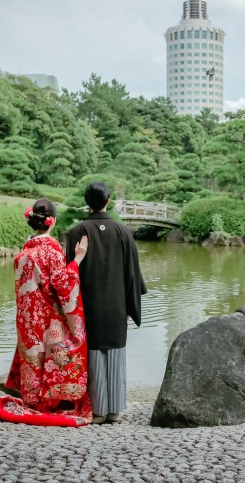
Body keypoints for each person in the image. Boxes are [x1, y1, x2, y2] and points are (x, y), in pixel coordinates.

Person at [0, 198, 93, 427]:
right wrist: (78, 259)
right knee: (56, 350)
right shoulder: (52, 251)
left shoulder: (24, 252)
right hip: (47, 316)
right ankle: (50, 400)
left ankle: (32, 399)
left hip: (27, 316)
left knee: (32, 355)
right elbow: (63, 284)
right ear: (52, 221)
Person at [65, 181, 147, 424]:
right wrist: (130, 307)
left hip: (87, 308)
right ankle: (115, 411)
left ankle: (98, 410)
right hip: (116, 306)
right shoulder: (123, 232)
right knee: (115, 353)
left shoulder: (77, 232)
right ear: (108, 201)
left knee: (93, 355)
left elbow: (69, 276)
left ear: (87, 203)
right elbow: (132, 273)